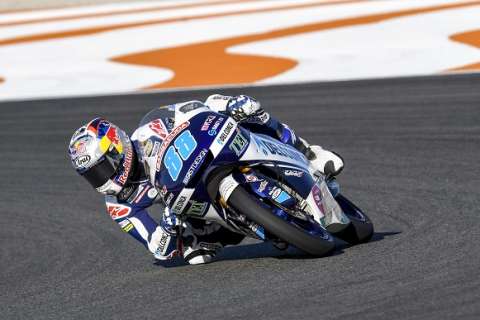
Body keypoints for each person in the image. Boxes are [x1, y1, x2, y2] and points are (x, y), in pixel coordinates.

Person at [68, 94, 345, 265]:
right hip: (191, 212)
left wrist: (227, 105)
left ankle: (309, 152)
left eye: (104, 167)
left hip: (211, 155)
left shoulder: (150, 130)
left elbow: (195, 107)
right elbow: (157, 249)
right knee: (195, 257)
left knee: (246, 109)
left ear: (118, 148)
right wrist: (168, 226)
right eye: (92, 175)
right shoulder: (118, 204)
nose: (102, 179)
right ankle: (253, 228)